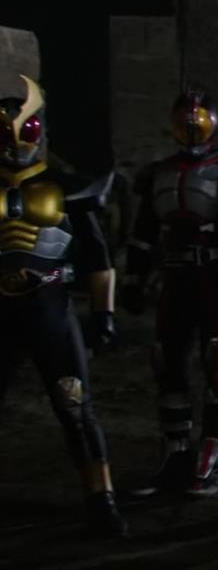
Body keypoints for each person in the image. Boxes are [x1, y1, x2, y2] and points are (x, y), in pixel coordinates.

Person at [123, 88, 218, 498]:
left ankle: (211, 455)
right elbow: (143, 234)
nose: (191, 127)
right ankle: (176, 455)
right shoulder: (159, 173)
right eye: (184, 121)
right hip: (176, 275)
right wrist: (134, 279)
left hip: (216, 273)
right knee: (168, 362)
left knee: (217, 360)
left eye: (198, 120)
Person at [0, 73, 127, 536]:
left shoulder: (66, 187)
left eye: (27, 130)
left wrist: (104, 314)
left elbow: (97, 257)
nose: (17, 142)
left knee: (75, 405)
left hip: (49, 306)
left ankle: (101, 496)